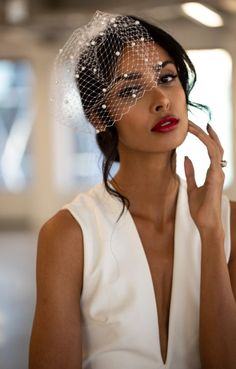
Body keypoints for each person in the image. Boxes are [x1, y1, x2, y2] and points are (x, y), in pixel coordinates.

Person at [29, 11, 236, 369]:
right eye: (131, 89)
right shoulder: (67, 235)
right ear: (99, 116)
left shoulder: (227, 220)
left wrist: (211, 234)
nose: (161, 100)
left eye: (167, 78)